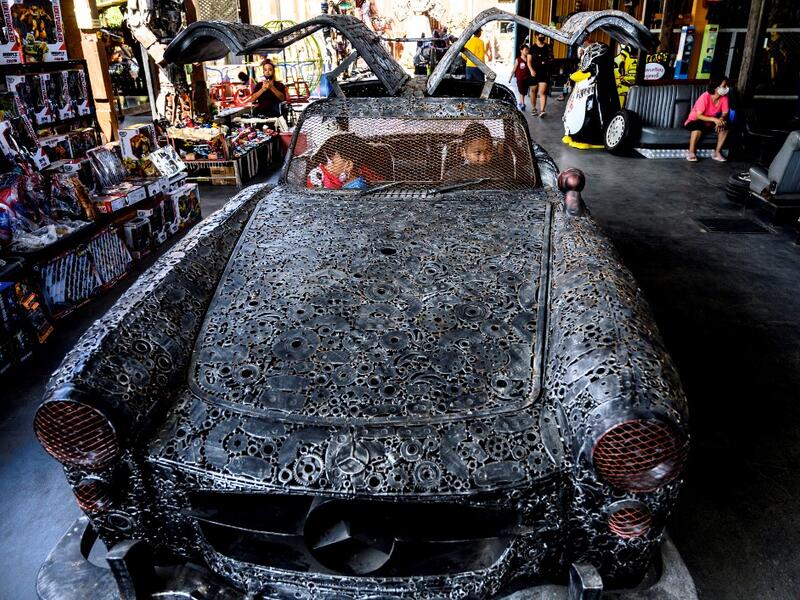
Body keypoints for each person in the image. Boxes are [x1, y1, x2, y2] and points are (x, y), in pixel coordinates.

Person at [684, 76, 730, 162]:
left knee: (725, 125)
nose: (726, 88)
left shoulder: (724, 98)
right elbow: (699, 116)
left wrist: (721, 119)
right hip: (694, 121)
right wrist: (715, 120)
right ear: (716, 87)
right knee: (698, 126)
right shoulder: (705, 97)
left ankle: (717, 153)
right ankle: (691, 152)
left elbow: (725, 112)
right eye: (724, 86)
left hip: (710, 122)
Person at [307, 133, 376, 190]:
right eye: (322, 161)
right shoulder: (345, 185)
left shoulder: (356, 189)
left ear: (348, 165)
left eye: (328, 162)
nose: (322, 166)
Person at [529, 33, 553, 117]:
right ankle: (533, 108)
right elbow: (529, 61)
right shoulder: (532, 48)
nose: (542, 37)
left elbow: (551, 58)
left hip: (544, 72)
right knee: (533, 91)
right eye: (540, 35)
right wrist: (531, 70)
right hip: (534, 72)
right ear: (536, 36)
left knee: (542, 92)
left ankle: (542, 110)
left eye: (543, 35)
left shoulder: (548, 47)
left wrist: (547, 63)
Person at [510, 44, 534, 111]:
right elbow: (514, 68)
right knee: (521, 91)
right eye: (525, 50)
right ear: (521, 51)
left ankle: (521, 102)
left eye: (527, 50)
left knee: (524, 91)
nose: (527, 51)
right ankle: (523, 104)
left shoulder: (528, 59)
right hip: (520, 78)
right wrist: (510, 77)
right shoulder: (518, 59)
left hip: (527, 78)